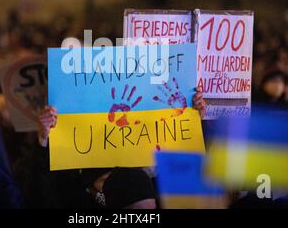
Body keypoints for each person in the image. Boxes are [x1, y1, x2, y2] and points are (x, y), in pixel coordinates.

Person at [24, 89, 207, 209]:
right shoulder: (74, 194)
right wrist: (44, 139)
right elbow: (41, 195)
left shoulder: (159, 186)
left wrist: (192, 120)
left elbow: (190, 175)